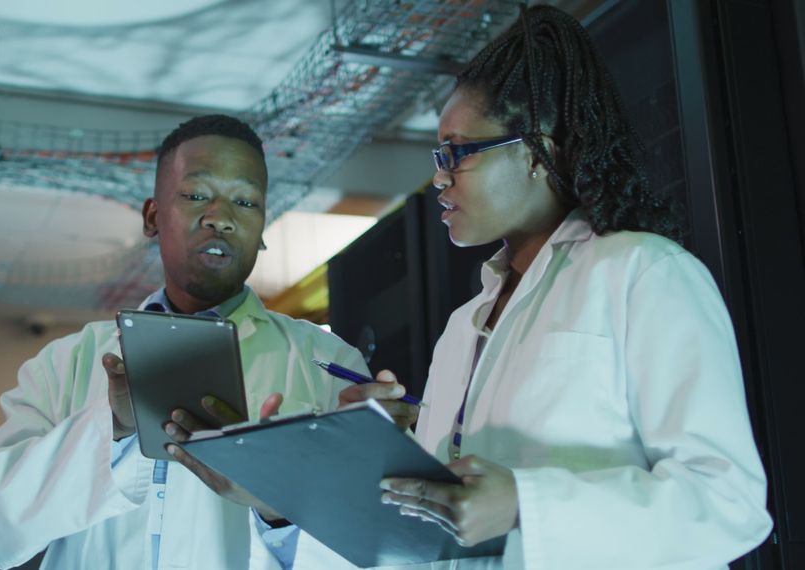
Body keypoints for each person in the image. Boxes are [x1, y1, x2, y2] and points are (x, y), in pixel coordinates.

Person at [296, 5, 772, 569]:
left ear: (536, 151)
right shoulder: (460, 327)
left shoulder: (644, 272)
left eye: (457, 152)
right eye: (437, 156)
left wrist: (527, 502)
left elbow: (728, 503)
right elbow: (440, 535)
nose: (440, 178)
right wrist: (378, 455)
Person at [0, 114, 416, 570]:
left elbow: (381, 556)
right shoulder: (69, 362)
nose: (221, 218)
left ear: (261, 232)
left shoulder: (326, 362)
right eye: (197, 195)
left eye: (246, 202)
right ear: (153, 216)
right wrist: (113, 424)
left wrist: (278, 502)